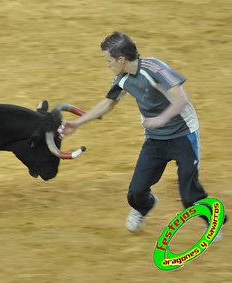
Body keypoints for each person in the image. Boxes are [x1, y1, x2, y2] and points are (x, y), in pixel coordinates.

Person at [61, 31, 226, 241]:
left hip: (183, 136)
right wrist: (77, 123)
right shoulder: (122, 78)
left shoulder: (154, 69)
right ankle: (145, 206)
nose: (107, 64)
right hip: (155, 140)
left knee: (189, 193)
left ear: (121, 59)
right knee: (136, 192)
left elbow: (181, 99)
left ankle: (213, 224)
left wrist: (160, 119)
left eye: (109, 60)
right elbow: (108, 103)